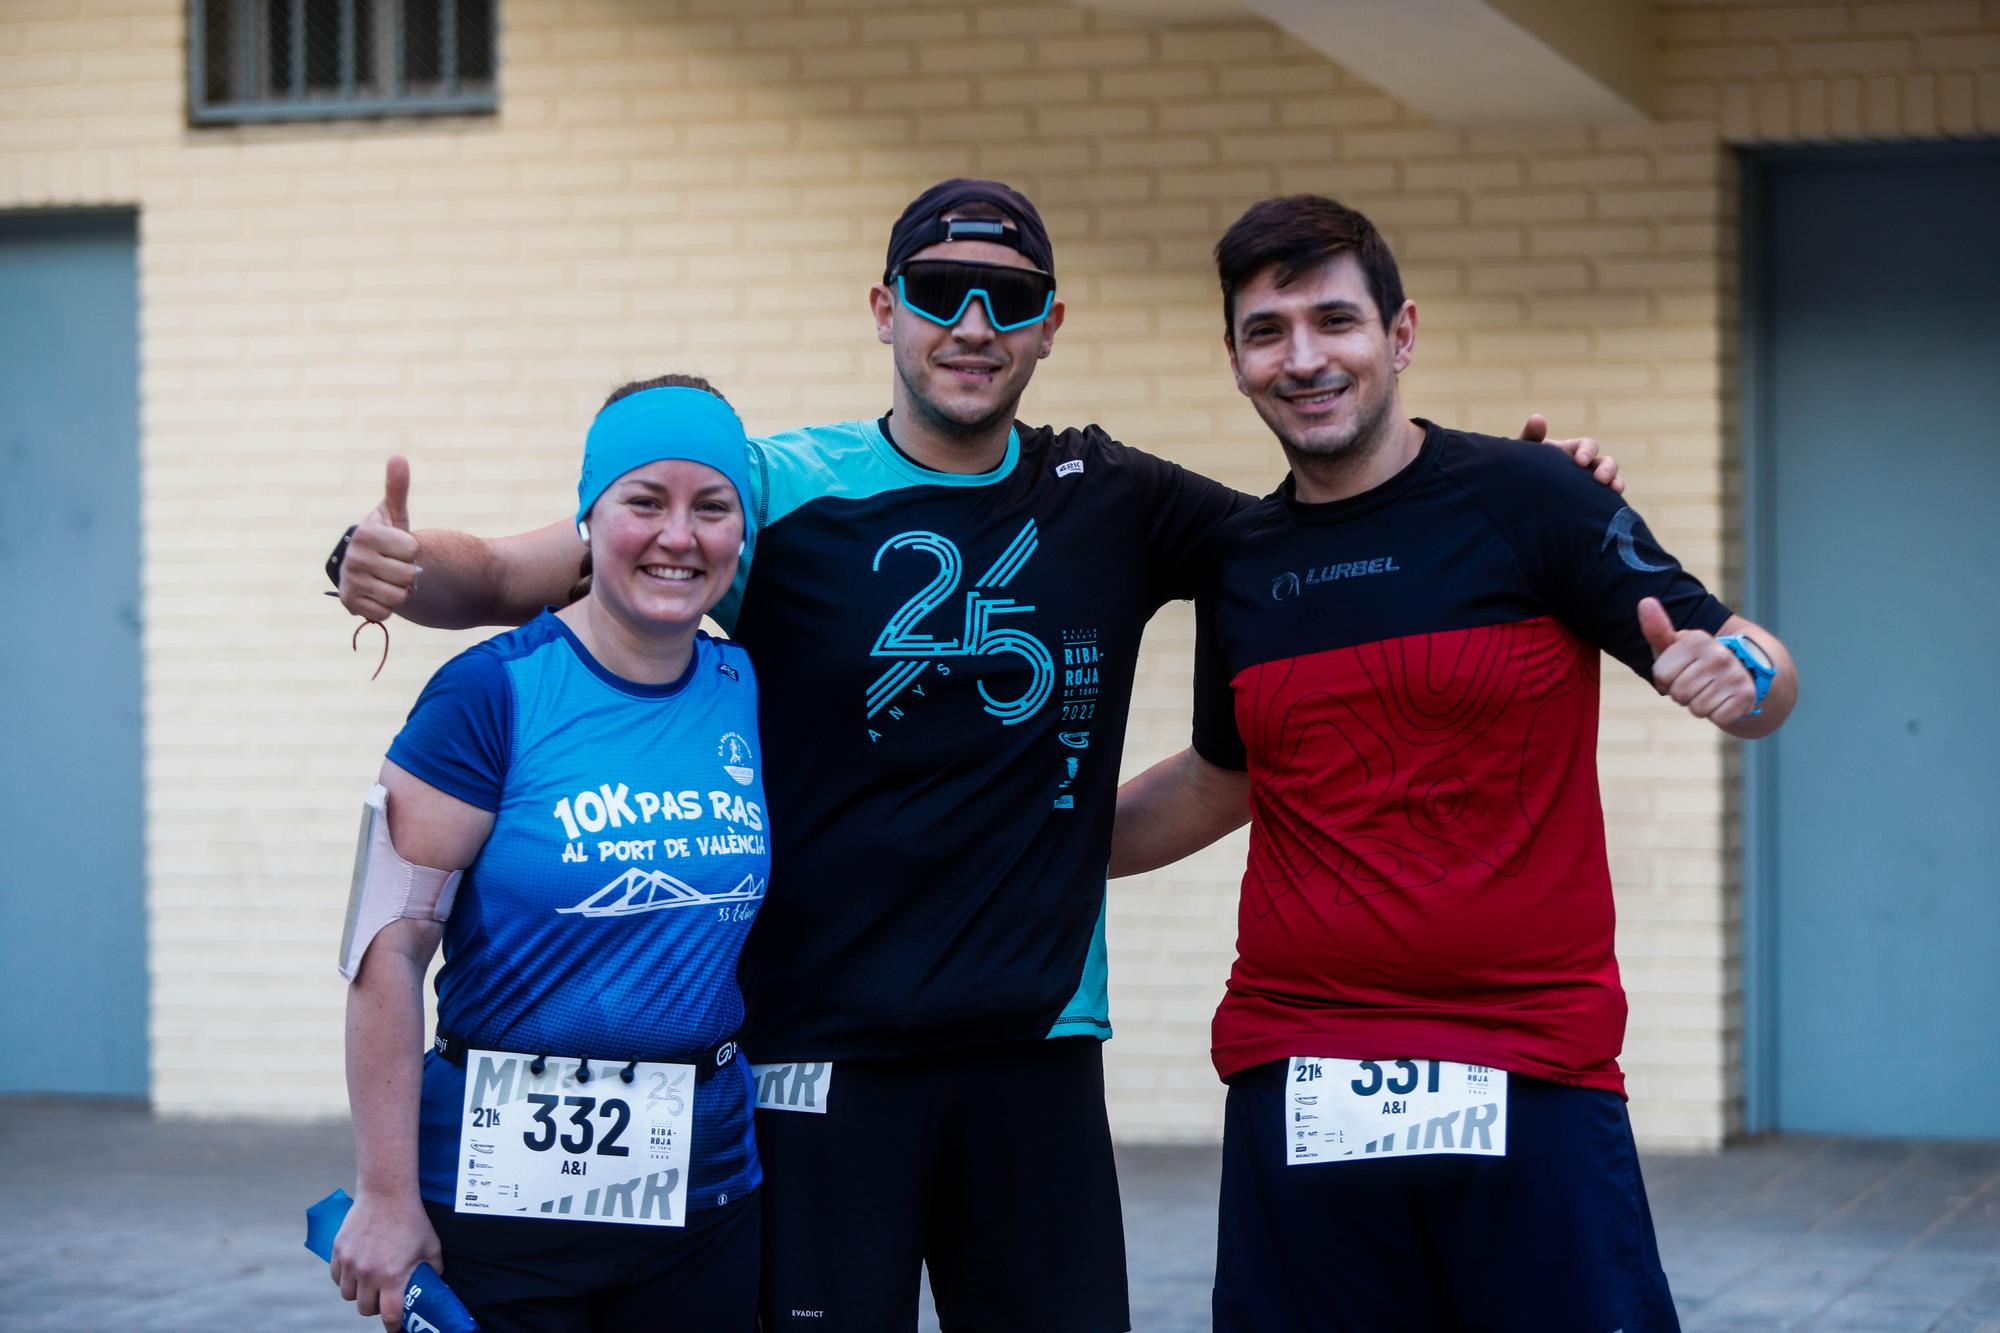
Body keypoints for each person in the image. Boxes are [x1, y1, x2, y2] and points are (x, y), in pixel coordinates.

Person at [329, 178, 1625, 1333]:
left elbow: (1321, 534)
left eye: (1010, 300)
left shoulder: (1110, 492)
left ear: (1050, 325)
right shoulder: (766, 491)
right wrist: (401, 568)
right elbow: (512, 569)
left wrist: (1513, 502)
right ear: (885, 310)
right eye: (940, 293)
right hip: (818, 1044)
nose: (972, 325)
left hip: (1034, 1046)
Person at [1111, 195, 1798, 1333]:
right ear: (1233, 360)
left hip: (1528, 1061)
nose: (1304, 358)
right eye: (1266, 330)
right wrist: (1018, 843)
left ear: (1401, 332)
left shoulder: (1532, 497)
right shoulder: (1242, 562)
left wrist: (1749, 681)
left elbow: (1751, 669)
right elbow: (1222, 780)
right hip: (1303, 1062)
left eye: (1333, 320)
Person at [330, 377, 768, 1332]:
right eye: (644, 501)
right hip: (495, 1209)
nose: (677, 536)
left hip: (704, 1198)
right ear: (588, 517)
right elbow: (385, 947)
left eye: (712, 506)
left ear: (741, 532)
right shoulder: (488, 695)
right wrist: (386, 1193)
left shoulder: (748, 685)